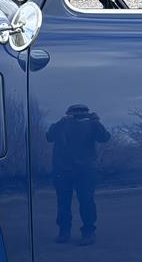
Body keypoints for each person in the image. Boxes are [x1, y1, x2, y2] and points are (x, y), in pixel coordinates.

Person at [46, 104, 110, 245]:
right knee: (63, 203)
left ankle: (88, 232)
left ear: (87, 114)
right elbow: (49, 137)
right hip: (62, 170)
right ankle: (64, 232)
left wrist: (96, 121)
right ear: (68, 113)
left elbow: (104, 138)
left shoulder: (93, 125)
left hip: (86, 170)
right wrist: (62, 122)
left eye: (83, 113)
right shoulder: (61, 125)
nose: (79, 115)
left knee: (86, 201)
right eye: (76, 113)